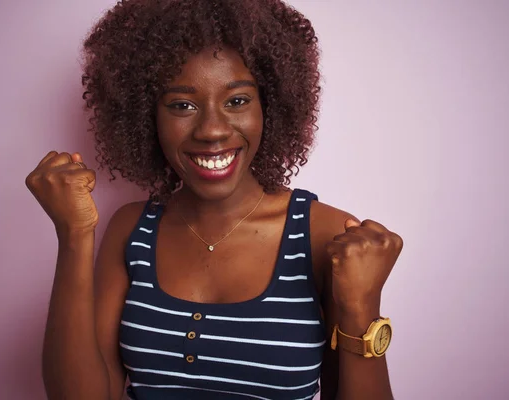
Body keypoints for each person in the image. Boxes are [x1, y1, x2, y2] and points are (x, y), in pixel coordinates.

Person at [25, 0, 403, 399]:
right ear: (146, 116)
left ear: (269, 107)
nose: (211, 130)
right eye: (182, 105)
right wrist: (74, 234)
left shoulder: (325, 236)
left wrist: (363, 310)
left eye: (237, 100)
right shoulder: (132, 228)